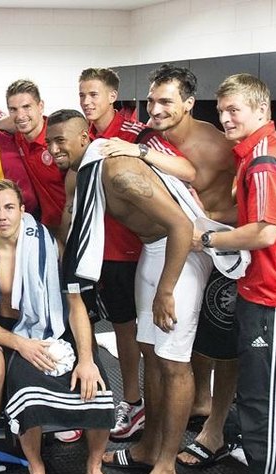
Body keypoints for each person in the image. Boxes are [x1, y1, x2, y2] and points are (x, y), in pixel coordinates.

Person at [43, 109, 212, 474]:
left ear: (85, 139)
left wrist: (166, 290)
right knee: (149, 353)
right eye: (49, 142)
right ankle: (148, 447)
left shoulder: (117, 173)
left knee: (173, 360)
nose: (54, 148)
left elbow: (182, 226)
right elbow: (71, 221)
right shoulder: (82, 173)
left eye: (61, 140)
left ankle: (167, 463)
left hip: (182, 250)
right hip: (154, 250)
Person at [194, 74, 276, 474]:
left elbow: (263, 232)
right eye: (221, 110)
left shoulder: (263, 159)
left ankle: (273, 473)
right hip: (265, 288)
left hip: (274, 293)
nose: (225, 118)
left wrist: (207, 238)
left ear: (261, 109)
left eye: (234, 110)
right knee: (269, 390)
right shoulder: (263, 147)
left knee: (261, 397)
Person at [0, 179, 114, 474]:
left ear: (22, 210)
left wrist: (86, 359)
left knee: (98, 389)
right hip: (12, 331)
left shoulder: (50, 244)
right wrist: (20, 344)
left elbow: (75, 305)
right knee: (26, 396)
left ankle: (94, 465)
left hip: (56, 323)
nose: (2, 216)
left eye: (9, 207)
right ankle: (37, 466)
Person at [76, 67, 191, 441]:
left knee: (132, 334)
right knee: (118, 332)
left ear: (113, 96)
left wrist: (138, 149)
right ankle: (118, 405)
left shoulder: (135, 133)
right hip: (99, 250)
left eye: (94, 94)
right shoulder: (86, 136)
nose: (87, 101)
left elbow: (187, 171)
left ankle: (134, 402)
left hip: (134, 249)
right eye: (82, 95)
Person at [141, 64, 239, 469]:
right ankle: (196, 404)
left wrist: (214, 230)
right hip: (177, 245)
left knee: (221, 343)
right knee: (179, 341)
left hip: (220, 247)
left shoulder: (218, 146)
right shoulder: (150, 137)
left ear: (188, 104)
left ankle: (214, 427)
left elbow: (248, 207)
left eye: (166, 101)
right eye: (151, 100)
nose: (156, 109)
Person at [6, 79, 65, 235]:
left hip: (71, 228)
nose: (20, 115)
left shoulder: (60, 140)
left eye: (26, 107)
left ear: (40, 106)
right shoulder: (18, 136)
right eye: (13, 109)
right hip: (44, 229)